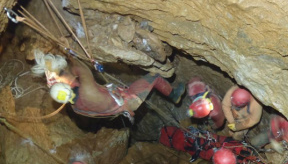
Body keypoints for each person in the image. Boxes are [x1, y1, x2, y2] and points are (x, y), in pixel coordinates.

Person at [32, 50, 185, 121]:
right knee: (155, 77)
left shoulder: (75, 103)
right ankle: (174, 95)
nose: (68, 72)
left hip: (113, 103)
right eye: (64, 72)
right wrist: (68, 52)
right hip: (128, 101)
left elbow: (71, 77)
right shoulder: (87, 91)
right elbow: (81, 68)